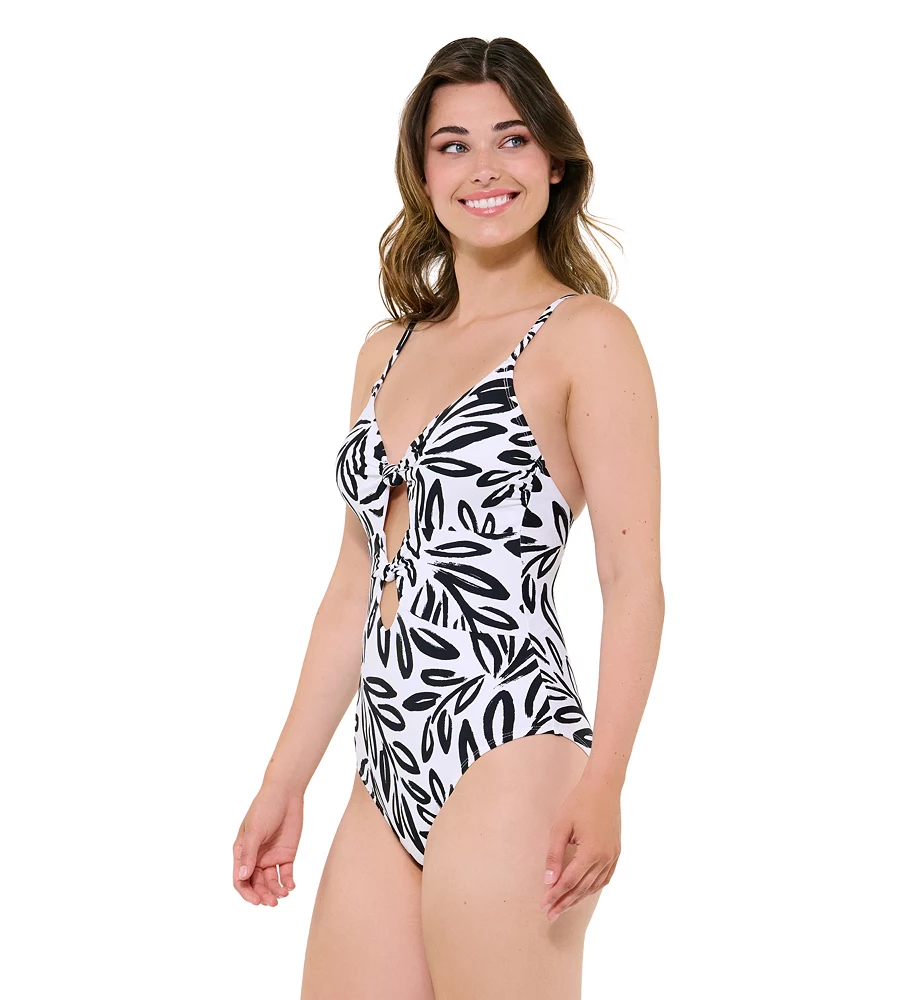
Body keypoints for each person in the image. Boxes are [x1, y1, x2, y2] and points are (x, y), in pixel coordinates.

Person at [233, 36, 663, 1000]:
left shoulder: (586, 337)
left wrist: (607, 782)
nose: (485, 169)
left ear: (555, 160)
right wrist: (283, 779)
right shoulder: (385, 350)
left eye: (512, 139)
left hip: (509, 735)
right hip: (385, 758)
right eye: (453, 145)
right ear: (423, 173)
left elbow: (632, 580)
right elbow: (356, 583)